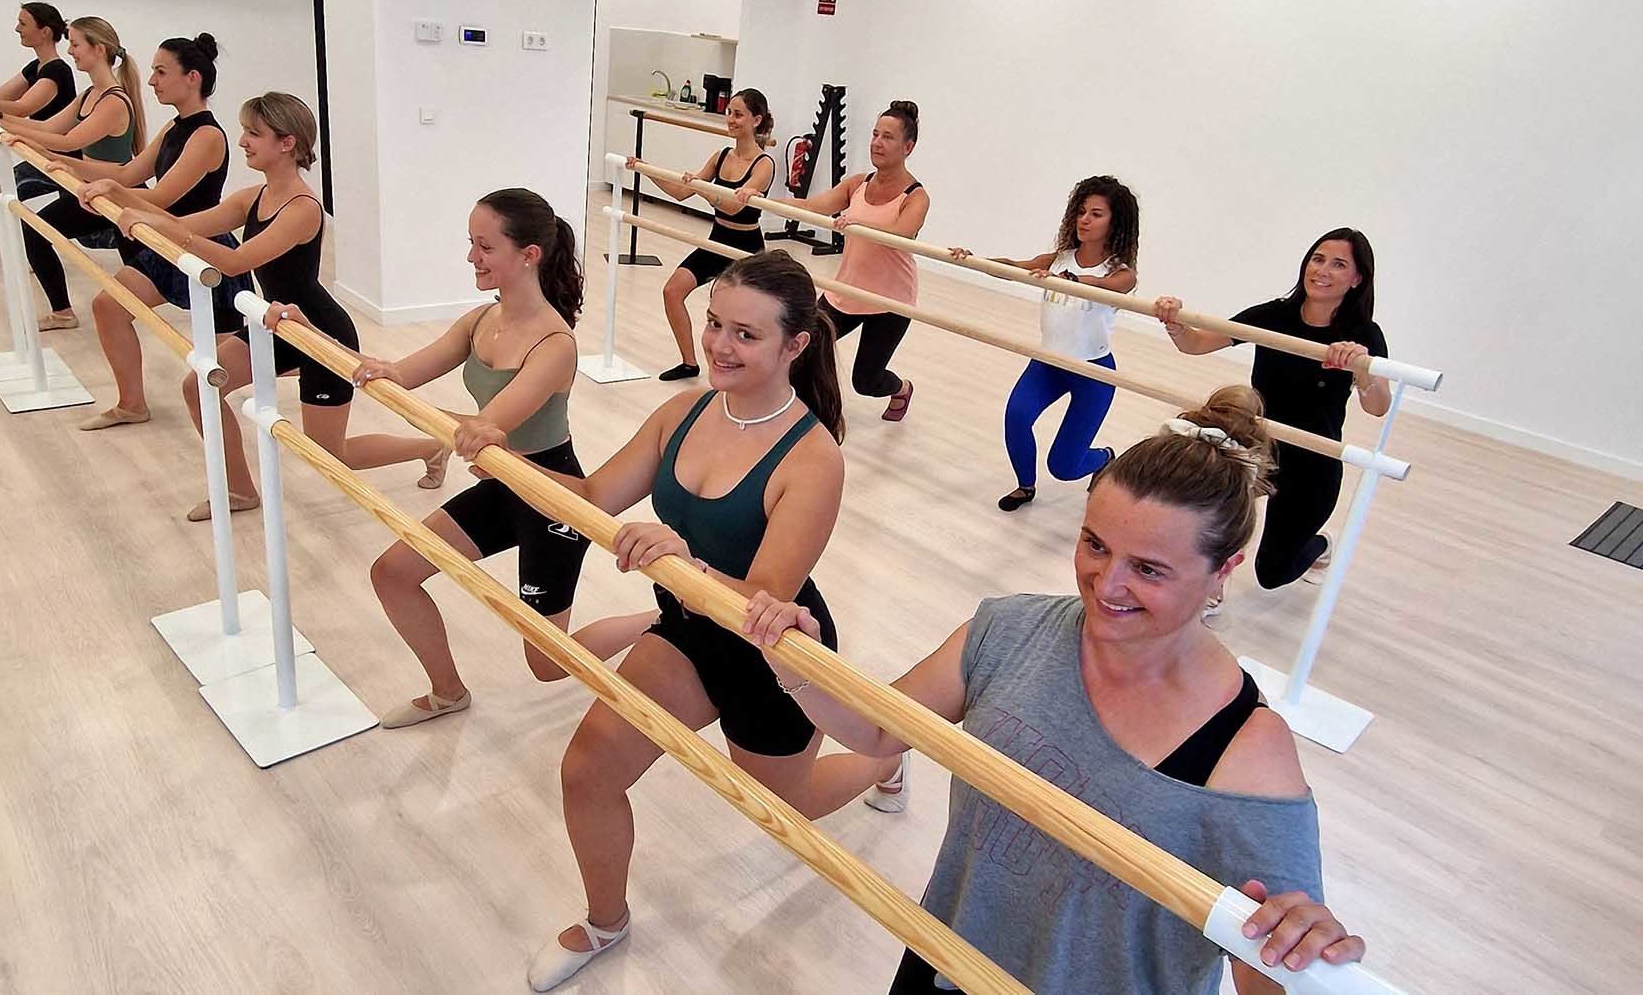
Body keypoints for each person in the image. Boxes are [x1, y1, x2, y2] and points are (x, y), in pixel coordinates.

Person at [743, 386, 1371, 995]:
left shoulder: (1250, 754)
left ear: (1224, 568)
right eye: (1095, 544)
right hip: (944, 960)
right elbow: (880, 731)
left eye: (1148, 569)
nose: (1107, 584)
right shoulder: (1009, 629)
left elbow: (1272, 973)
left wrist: (1303, 944)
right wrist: (792, 656)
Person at [451, 251, 901, 992]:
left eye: (746, 335)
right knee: (589, 767)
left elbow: (763, 595)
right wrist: (508, 460)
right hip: (689, 627)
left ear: (796, 344)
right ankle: (605, 919)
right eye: (715, 323)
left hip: (773, 649)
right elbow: (595, 495)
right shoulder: (682, 411)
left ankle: (886, 758)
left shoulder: (813, 457)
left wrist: (685, 559)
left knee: (788, 807)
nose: (720, 344)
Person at [109, 93, 440, 520]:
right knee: (199, 386)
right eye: (245, 132)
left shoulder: (302, 208)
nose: (243, 141)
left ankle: (431, 446)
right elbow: (183, 225)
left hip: (318, 331)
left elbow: (235, 261)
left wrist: (168, 230)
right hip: (279, 323)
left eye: (254, 134)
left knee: (331, 453)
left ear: (287, 144)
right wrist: (120, 194)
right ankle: (240, 491)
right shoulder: (253, 197)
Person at [357, 189, 598, 726]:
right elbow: (397, 372)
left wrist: (462, 432)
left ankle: (657, 622)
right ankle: (447, 692)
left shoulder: (555, 343)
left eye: (485, 246)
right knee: (393, 572)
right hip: (504, 485)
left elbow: (490, 424)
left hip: (553, 497)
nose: (472, 257)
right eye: (472, 244)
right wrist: (302, 330)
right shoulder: (479, 321)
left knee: (548, 664)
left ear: (529, 254)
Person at [1153, 229, 1391, 596]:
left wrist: (1360, 367)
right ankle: (1209, 590)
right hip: (1257, 446)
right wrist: (1175, 322)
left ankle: (1321, 546)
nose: (1323, 270)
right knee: (1205, 517)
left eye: (1339, 264)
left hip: (1314, 461)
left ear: (1357, 279)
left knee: (1272, 573)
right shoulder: (1275, 314)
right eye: (1318, 258)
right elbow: (1196, 344)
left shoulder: (1363, 335)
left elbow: (1378, 407)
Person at [40, 34, 253, 432]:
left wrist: (114, 192)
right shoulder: (175, 127)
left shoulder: (207, 135)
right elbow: (127, 173)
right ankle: (131, 403)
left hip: (202, 249)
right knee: (109, 306)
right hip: (166, 244)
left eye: (160, 71)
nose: (152, 80)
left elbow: (159, 198)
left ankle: (312, 367)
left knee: (241, 356)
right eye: (153, 71)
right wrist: (57, 161)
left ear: (192, 78)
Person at [949, 175, 1141, 510]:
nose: (1085, 219)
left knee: (1064, 467)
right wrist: (973, 259)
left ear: (1115, 222)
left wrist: (1071, 279)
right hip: (1048, 364)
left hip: (1092, 372)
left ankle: (1105, 457)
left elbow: (1104, 285)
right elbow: (1013, 267)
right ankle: (1025, 486)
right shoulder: (1057, 259)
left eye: (1096, 214)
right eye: (1082, 211)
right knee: (1017, 417)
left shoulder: (1122, 273)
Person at [754, 100, 928, 421]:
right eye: (875, 134)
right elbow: (810, 206)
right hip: (846, 290)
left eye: (888, 137)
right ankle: (800, 414)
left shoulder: (916, 196)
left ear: (908, 146)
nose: (877, 142)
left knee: (866, 381)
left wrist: (860, 224)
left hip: (890, 300)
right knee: (801, 347)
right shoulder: (855, 184)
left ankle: (901, 388)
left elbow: (901, 232)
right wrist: (757, 199)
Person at [0, 16, 146, 331]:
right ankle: (63, 311)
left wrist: (11, 128)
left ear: (98, 50)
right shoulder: (90, 95)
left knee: (147, 266)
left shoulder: (114, 101)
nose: (71, 50)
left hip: (115, 195)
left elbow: (68, 141)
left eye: (76, 44)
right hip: (93, 190)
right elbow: (47, 127)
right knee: (37, 232)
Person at [626, 88, 775, 381]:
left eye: (738, 114)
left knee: (744, 315)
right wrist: (646, 169)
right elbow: (682, 193)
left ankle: (751, 369)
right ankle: (689, 363)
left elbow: (733, 207)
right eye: (729, 113)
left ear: (756, 120)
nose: (730, 119)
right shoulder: (720, 156)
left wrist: (704, 189)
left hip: (745, 249)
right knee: (672, 291)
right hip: (717, 240)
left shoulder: (764, 164)